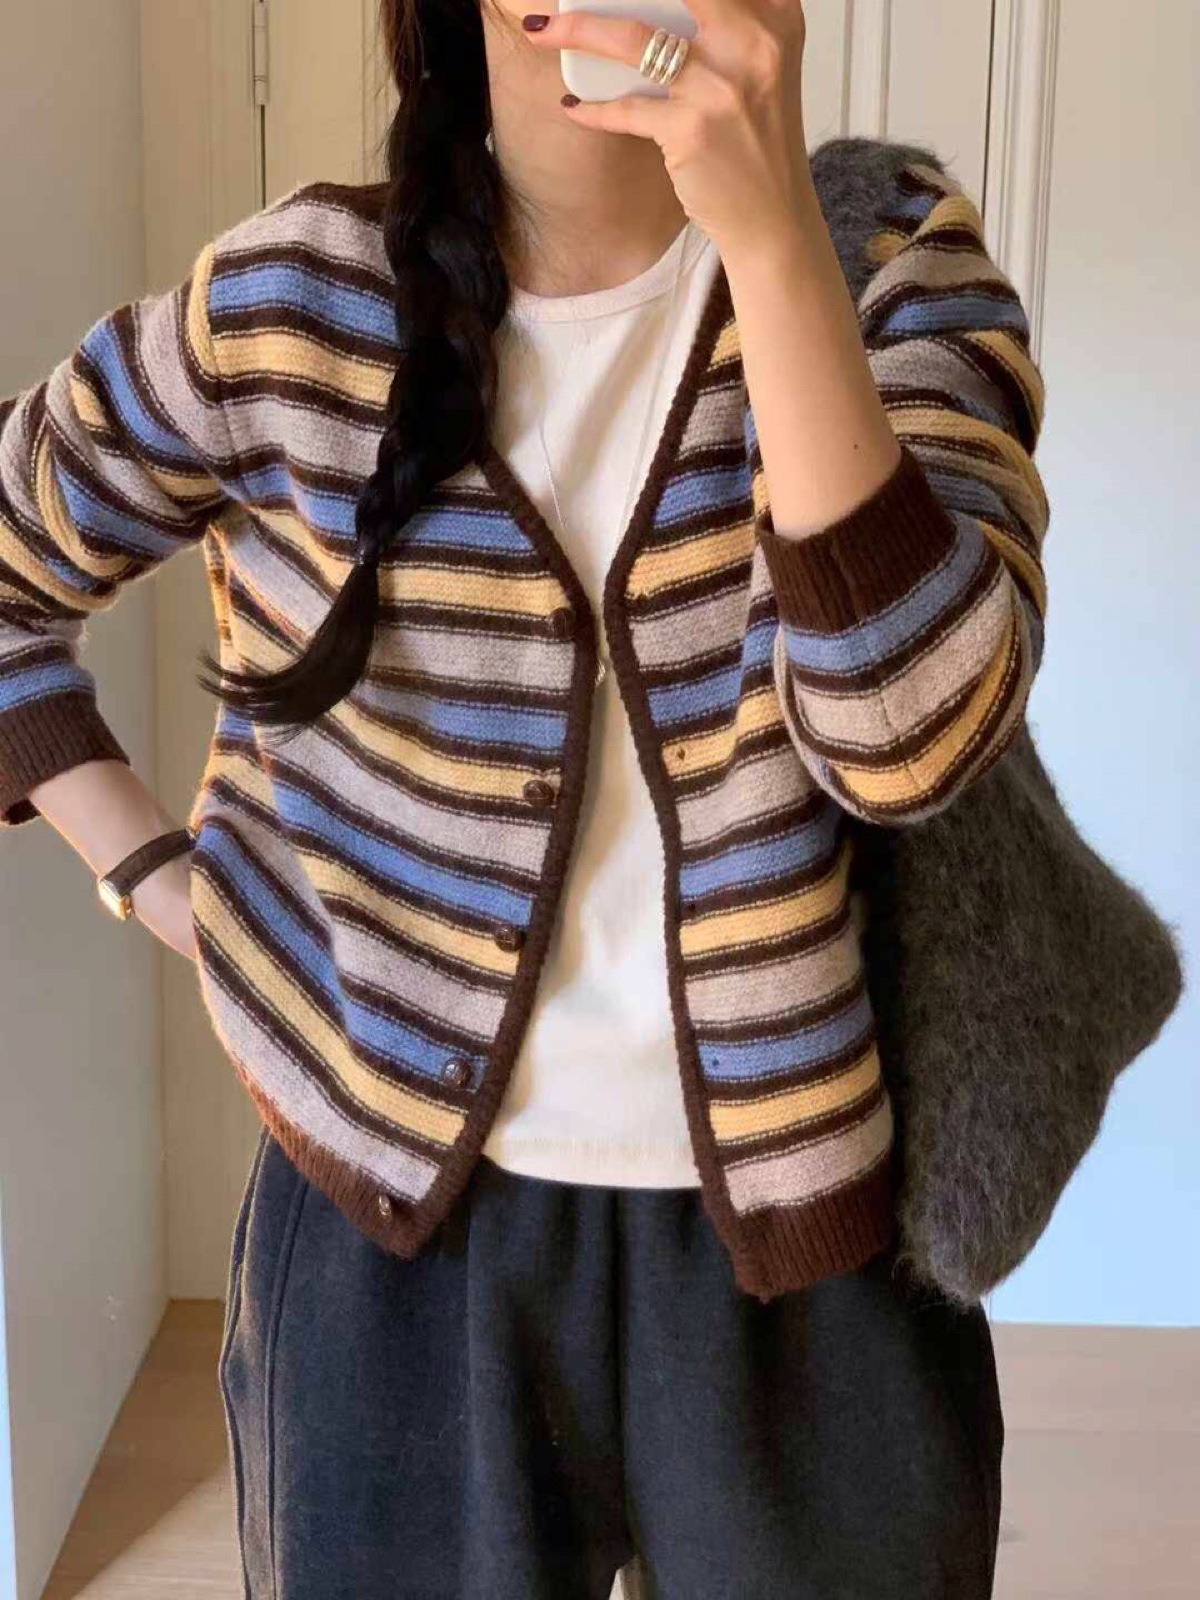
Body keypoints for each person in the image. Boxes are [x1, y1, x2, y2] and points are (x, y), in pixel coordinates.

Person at [0, 0, 1050, 1594]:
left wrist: (773, 247)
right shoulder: (290, 305)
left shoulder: (891, 261)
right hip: (392, 1259)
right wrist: (152, 873)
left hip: (815, 1261)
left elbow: (910, 739)